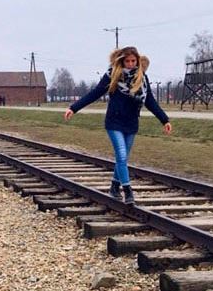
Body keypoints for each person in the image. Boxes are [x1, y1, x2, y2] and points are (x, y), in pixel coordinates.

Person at [64, 46, 172, 204]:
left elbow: (150, 101)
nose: (130, 64)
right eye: (127, 61)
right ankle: (128, 191)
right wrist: (74, 108)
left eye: (133, 61)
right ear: (122, 61)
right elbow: (95, 93)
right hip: (114, 121)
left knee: (123, 158)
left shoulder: (142, 78)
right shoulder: (112, 75)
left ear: (137, 61)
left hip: (131, 122)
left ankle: (114, 187)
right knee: (121, 155)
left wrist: (164, 120)